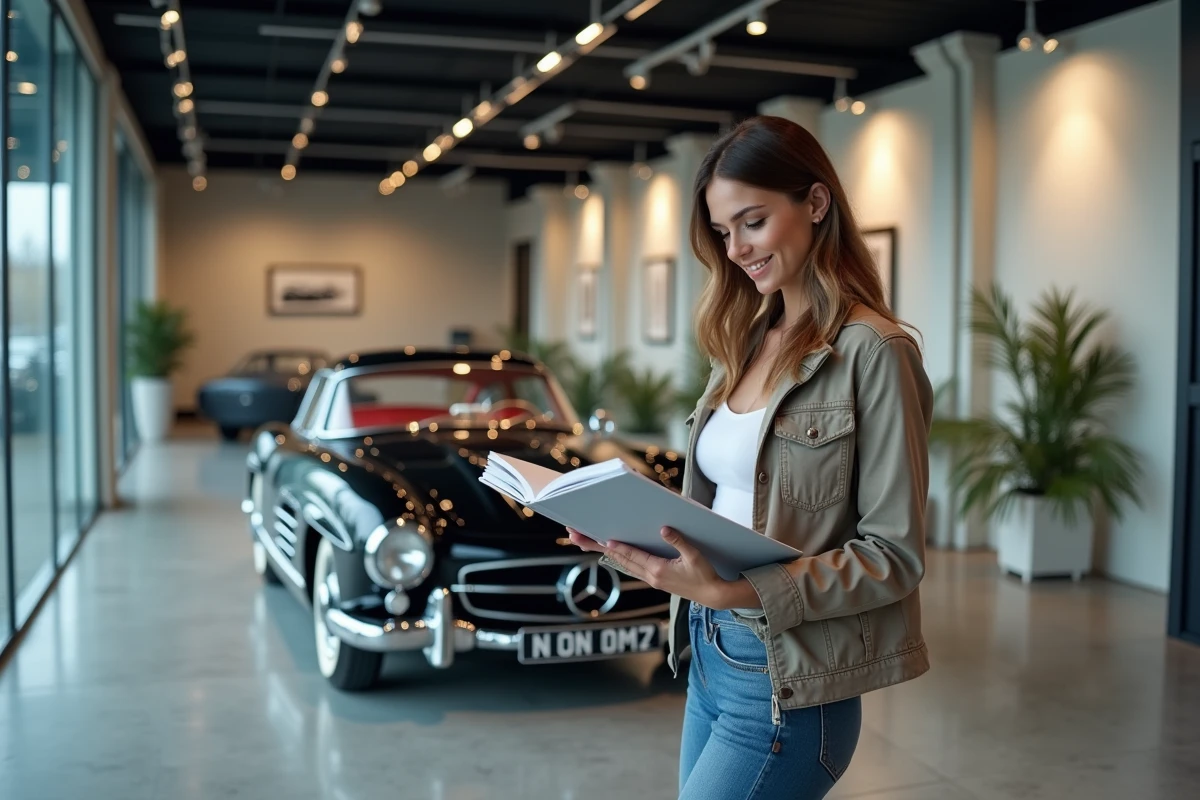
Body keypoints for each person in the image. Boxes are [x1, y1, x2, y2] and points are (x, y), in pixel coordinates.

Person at [568, 115, 934, 799]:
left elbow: (895, 556)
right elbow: (732, 502)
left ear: (816, 204)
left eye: (753, 222)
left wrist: (739, 593)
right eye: (722, 231)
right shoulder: (744, 340)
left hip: (787, 678)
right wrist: (630, 529)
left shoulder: (875, 353)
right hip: (710, 651)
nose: (734, 248)